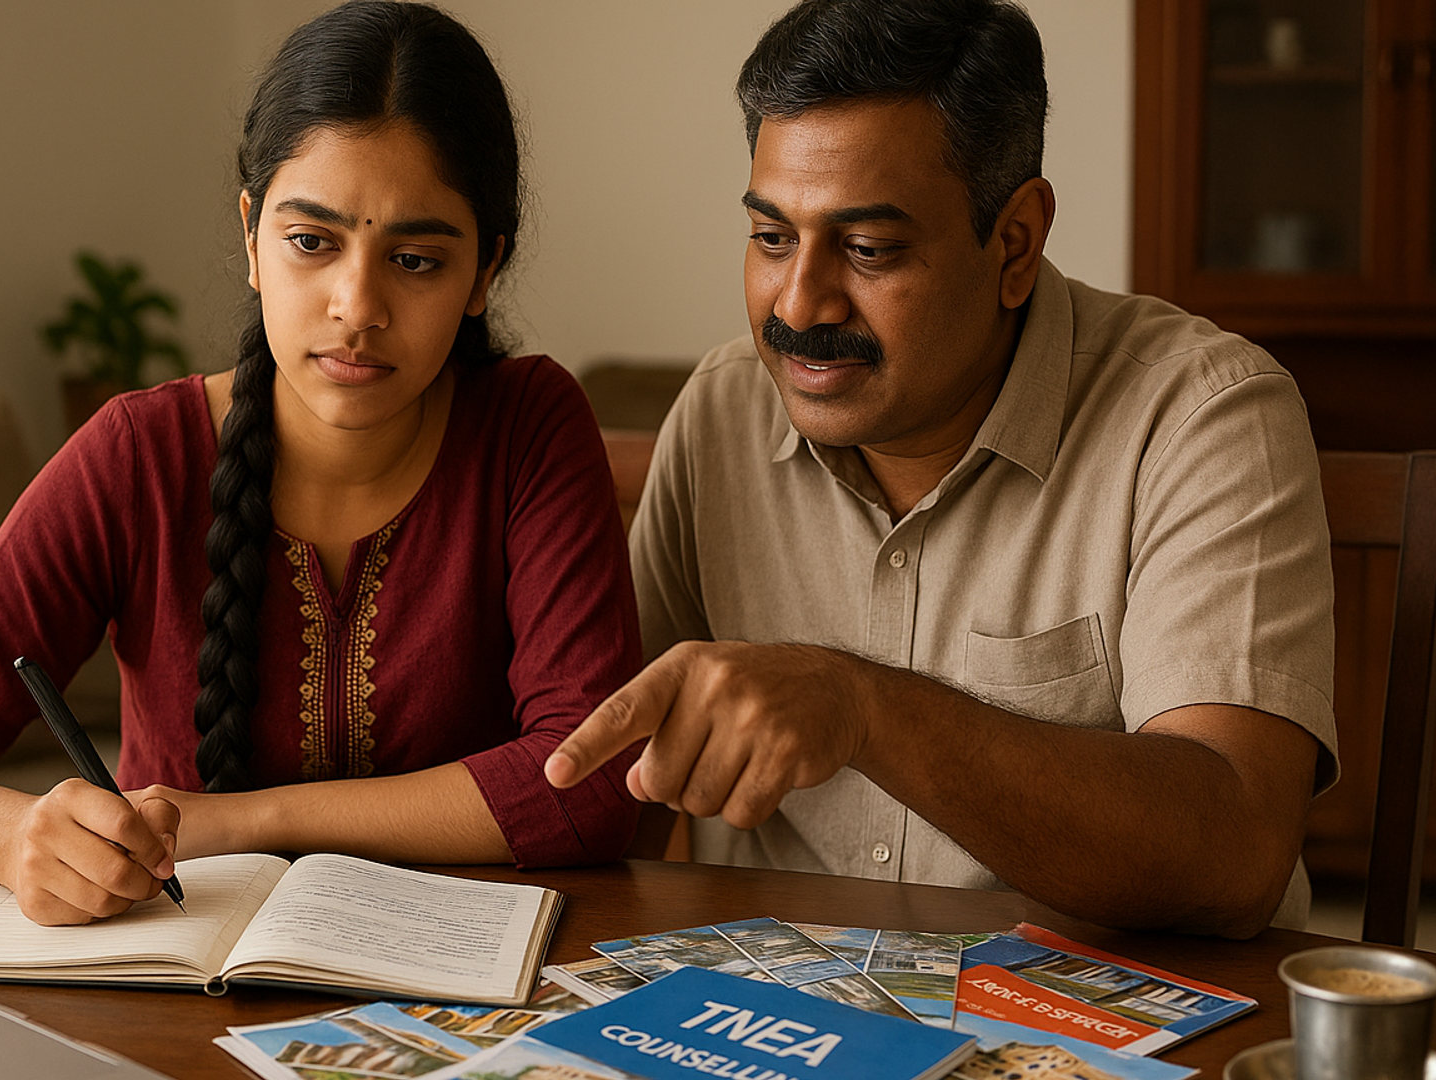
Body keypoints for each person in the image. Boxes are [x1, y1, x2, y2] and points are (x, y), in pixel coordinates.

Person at [546, 0, 1337, 938]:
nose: (799, 302)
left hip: (1113, 1026)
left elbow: (1235, 853)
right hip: (781, 1015)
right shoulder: (723, 408)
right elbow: (612, 779)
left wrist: (864, 706)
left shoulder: (1203, 414)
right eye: (770, 237)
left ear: (1015, 243)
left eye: (870, 248)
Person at [0, 1, 643, 926]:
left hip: (458, 1003)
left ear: (485, 272)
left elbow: (590, 781)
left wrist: (245, 822)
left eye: (417, 259)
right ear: (253, 237)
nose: (358, 305)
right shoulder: (140, 454)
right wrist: (13, 838)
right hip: (176, 1001)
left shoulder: (530, 427)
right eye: (312, 243)